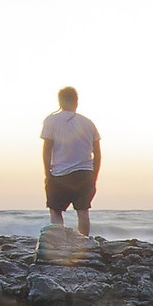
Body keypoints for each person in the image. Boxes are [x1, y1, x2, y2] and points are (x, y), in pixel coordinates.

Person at [40, 87, 102, 236]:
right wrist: (93, 176)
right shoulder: (88, 123)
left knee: (55, 211)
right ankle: (84, 244)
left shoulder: (52, 121)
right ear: (76, 101)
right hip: (84, 173)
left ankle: (59, 243)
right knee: (83, 212)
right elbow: (98, 154)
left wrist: (47, 173)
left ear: (60, 101)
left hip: (59, 173)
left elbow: (47, 150)